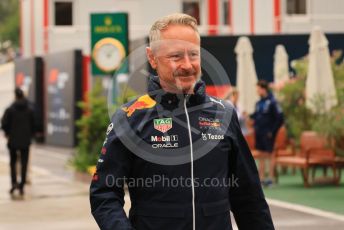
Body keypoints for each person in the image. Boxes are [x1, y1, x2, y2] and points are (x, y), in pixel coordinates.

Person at [90, 13, 274, 230]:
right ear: (152, 58)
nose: (187, 65)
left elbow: (248, 196)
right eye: (176, 56)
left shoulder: (223, 113)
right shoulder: (131, 116)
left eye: (193, 54)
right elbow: (104, 193)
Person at [1, 88, 35, 196]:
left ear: (15, 96)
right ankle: (22, 185)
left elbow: (4, 123)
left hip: (13, 141)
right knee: (24, 164)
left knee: (13, 163)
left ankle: (14, 183)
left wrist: (7, 133)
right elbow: (34, 124)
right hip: (25, 141)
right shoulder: (29, 109)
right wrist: (30, 135)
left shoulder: (10, 109)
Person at [250, 80, 284, 186]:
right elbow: (256, 116)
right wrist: (248, 116)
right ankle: (261, 178)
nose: (257, 91)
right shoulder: (258, 103)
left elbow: (280, 118)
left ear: (263, 89)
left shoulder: (273, 102)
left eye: (258, 89)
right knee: (261, 155)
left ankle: (271, 178)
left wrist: (272, 131)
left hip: (268, 133)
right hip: (259, 133)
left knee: (270, 154)